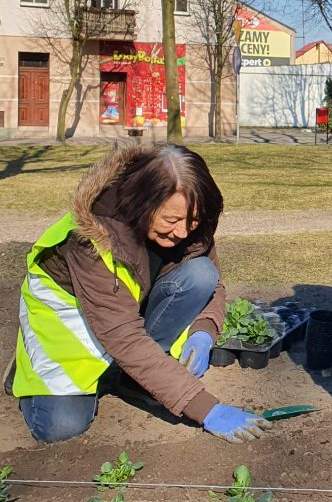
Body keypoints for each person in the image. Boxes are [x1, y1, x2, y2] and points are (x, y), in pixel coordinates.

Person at [7, 144, 271, 444]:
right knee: (60, 427)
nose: (182, 232)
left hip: (123, 318)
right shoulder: (90, 240)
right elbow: (124, 337)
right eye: (171, 221)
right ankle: (27, 370)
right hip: (70, 326)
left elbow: (214, 284)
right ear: (141, 204)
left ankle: (131, 379)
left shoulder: (191, 221)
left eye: (192, 220)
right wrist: (206, 409)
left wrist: (204, 332)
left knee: (201, 274)